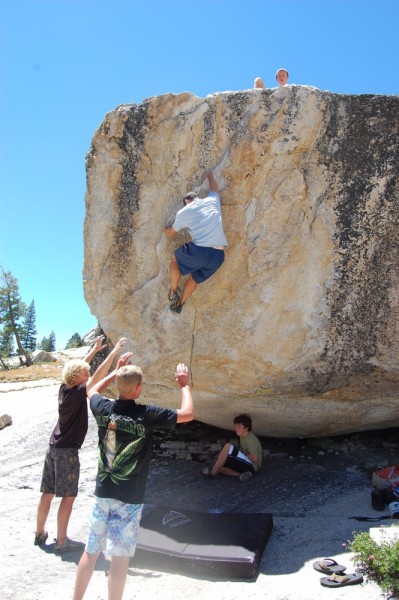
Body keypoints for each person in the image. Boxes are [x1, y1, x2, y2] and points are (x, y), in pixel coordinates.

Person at [72, 355, 194, 600]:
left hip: (102, 492)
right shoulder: (146, 414)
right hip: (130, 497)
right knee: (119, 557)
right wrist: (184, 385)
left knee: (91, 551)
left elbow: (91, 390)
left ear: (118, 386)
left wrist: (115, 373)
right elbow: (188, 413)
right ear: (139, 388)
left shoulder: (103, 408)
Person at [34, 336, 127, 551]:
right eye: (84, 373)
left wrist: (94, 350)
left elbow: (79, 368)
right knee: (67, 497)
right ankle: (61, 541)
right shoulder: (77, 392)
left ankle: (39, 533)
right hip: (67, 451)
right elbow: (97, 378)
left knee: (47, 493)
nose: (88, 373)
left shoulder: (64, 388)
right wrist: (113, 356)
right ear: (78, 377)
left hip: (53, 447)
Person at [164, 171, 228, 314]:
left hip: (201, 251)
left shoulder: (185, 211)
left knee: (175, 257)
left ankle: (173, 291)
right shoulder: (212, 201)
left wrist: (165, 227)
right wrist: (210, 175)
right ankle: (180, 304)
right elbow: (214, 189)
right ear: (197, 197)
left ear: (186, 202)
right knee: (195, 278)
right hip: (218, 256)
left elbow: (171, 233)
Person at [199, 413, 262, 482]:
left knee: (228, 446)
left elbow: (255, 458)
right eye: (235, 426)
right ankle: (241, 474)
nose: (236, 429)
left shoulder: (251, 439)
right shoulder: (242, 436)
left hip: (252, 467)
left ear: (246, 427)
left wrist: (243, 453)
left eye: (239, 426)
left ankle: (213, 473)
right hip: (245, 464)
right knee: (219, 466)